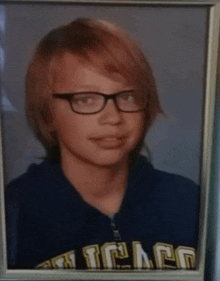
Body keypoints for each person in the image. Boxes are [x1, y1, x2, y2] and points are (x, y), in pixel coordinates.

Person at [5, 18, 200, 270]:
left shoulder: (187, 201)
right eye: (86, 99)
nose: (113, 117)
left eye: (127, 96)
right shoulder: (14, 212)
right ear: (47, 113)